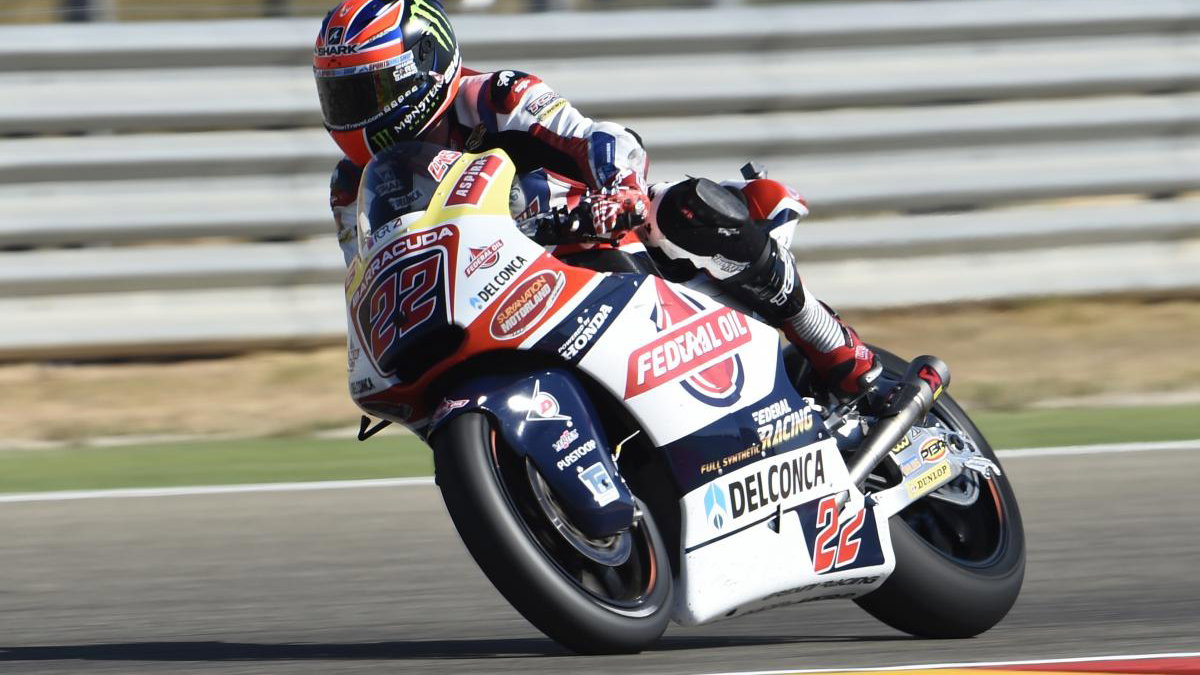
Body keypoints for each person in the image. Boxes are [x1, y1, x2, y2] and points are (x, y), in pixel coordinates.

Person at [313, 0, 881, 402]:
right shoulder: (350, 187)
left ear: (426, 65)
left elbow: (597, 136)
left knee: (681, 209)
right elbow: (369, 273)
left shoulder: (495, 96)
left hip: (596, 233)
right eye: (339, 95)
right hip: (494, 293)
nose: (352, 113)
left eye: (367, 91)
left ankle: (835, 349)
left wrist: (618, 188)